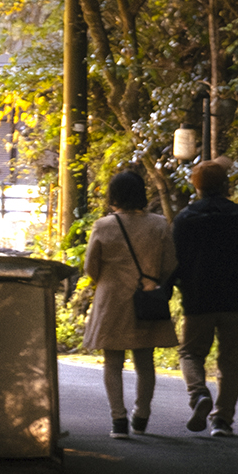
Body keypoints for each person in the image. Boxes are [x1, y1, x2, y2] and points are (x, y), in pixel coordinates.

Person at [173, 157, 238, 437]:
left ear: (196, 186)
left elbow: (174, 262)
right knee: (230, 360)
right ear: (226, 185)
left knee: (190, 353)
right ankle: (222, 420)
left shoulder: (185, 218)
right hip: (236, 298)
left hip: (198, 298)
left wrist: (168, 292)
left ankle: (199, 394)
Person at [82, 164, 177, 437]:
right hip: (146, 297)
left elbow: (90, 268)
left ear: (113, 195)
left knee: (112, 362)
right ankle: (141, 416)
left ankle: (118, 420)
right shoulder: (158, 224)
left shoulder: (103, 226)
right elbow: (170, 263)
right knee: (145, 362)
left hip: (111, 301)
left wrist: (109, 279)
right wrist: (153, 279)